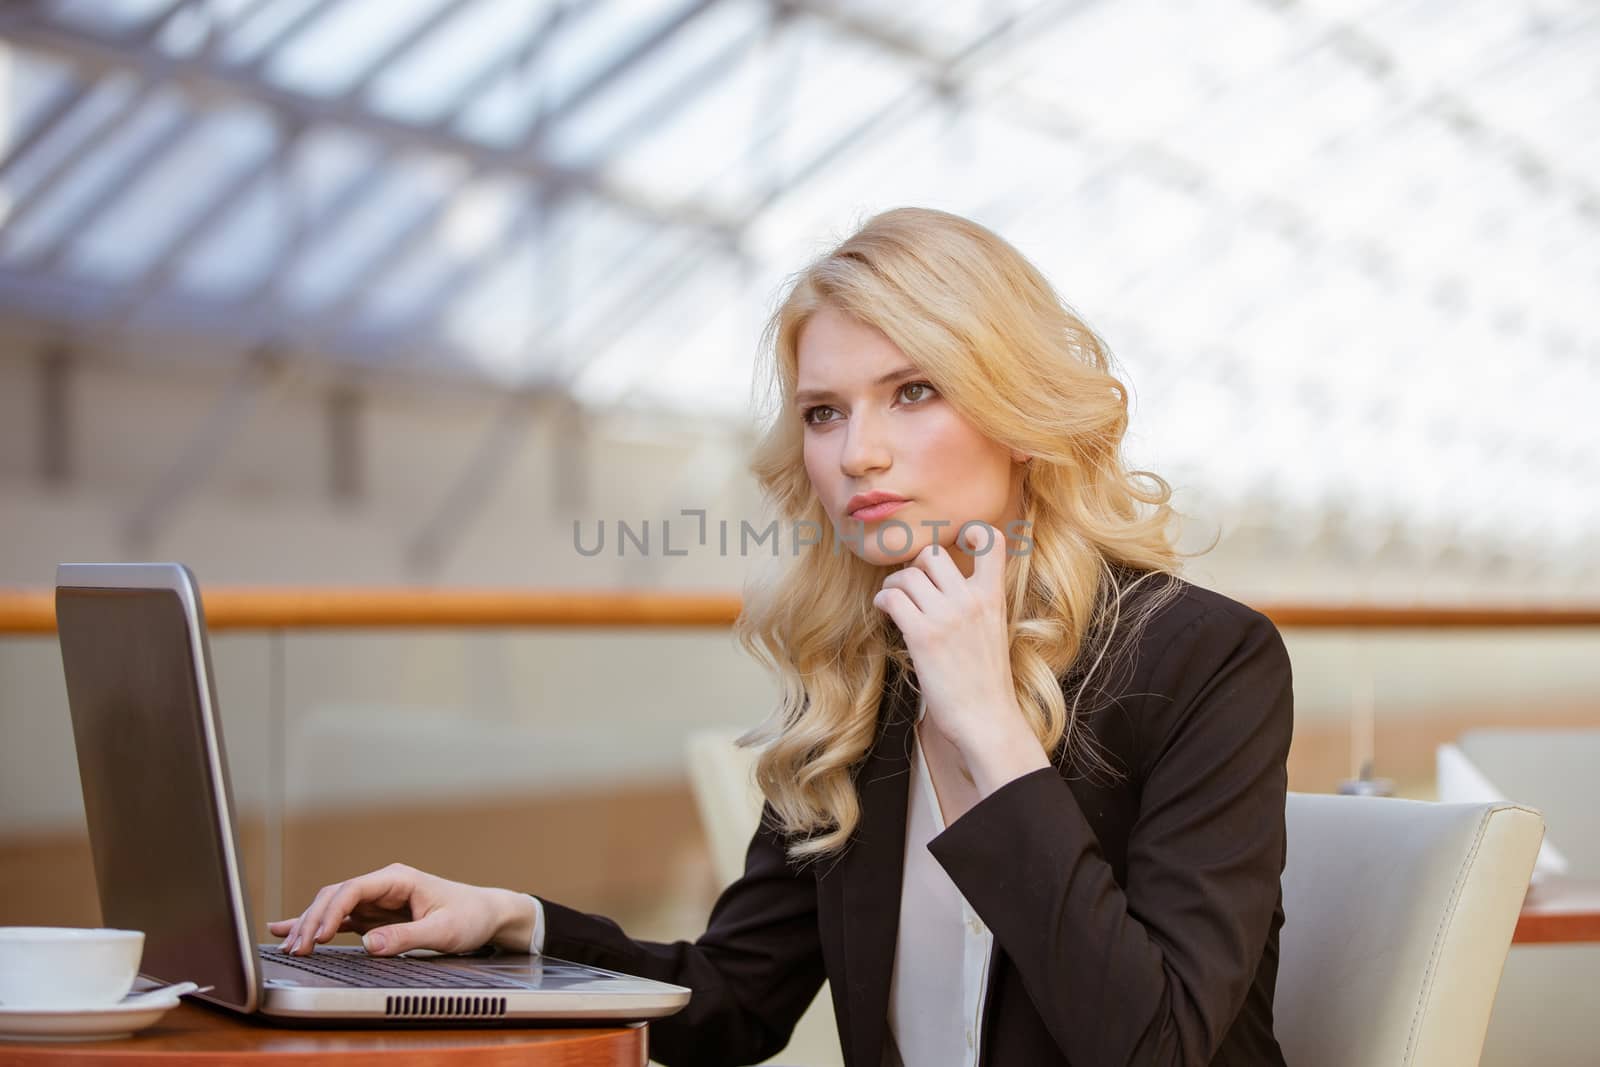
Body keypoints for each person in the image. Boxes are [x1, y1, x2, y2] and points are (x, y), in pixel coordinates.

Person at [269, 207, 1294, 1066]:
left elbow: (1156, 1046)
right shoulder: (870, 677)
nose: (859, 451)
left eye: (913, 390)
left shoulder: (1201, 661)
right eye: (822, 412)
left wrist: (987, 723)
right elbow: (730, 999)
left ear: (1018, 416)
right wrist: (513, 923)